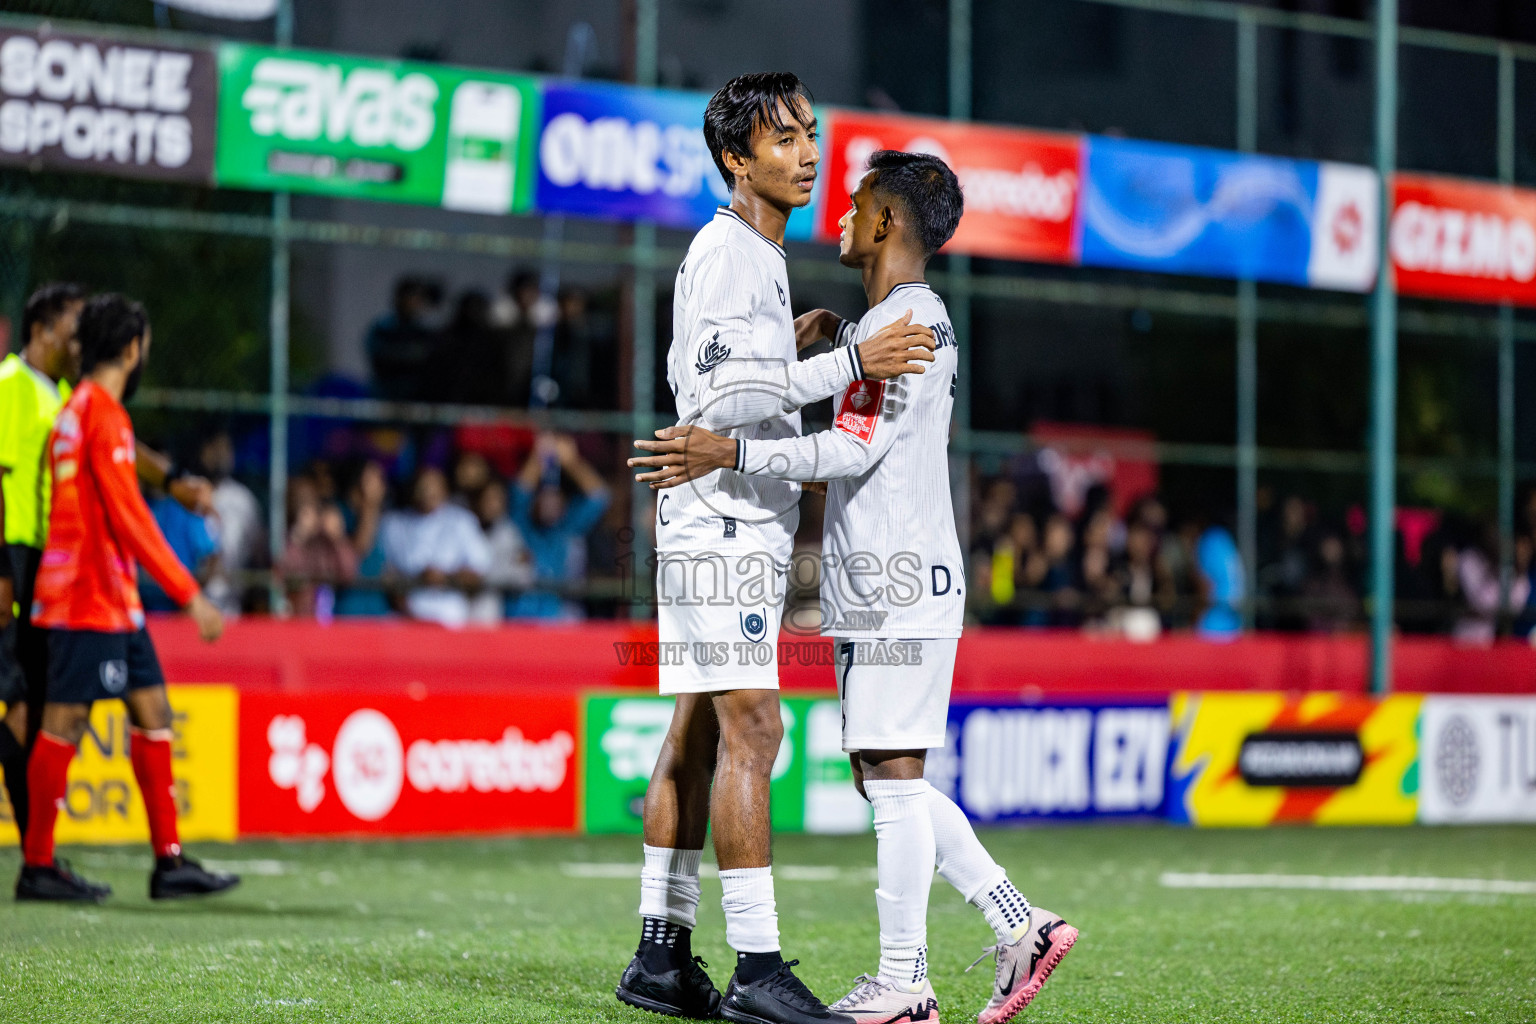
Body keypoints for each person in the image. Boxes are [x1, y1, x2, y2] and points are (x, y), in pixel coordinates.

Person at [631, 150, 1078, 1024]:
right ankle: (1017, 923)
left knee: (895, 781)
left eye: (859, 200)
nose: (840, 209)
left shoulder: (905, 321)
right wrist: (833, 348)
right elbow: (868, 428)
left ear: (889, 224)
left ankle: (907, 983)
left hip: (898, 580)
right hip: (887, 578)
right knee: (885, 775)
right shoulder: (897, 320)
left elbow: (852, 449)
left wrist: (736, 450)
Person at [611, 73, 939, 1024]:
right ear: (735, 160)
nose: (806, 152)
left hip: (720, 515)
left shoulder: (755, 257)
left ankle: (662, 955)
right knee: (756, 727)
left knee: (701, 730)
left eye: (809, 134)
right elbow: (716, 404)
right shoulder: (731, 250)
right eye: (784, 138)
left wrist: (790, 356)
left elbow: (727, 374)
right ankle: (758, 969)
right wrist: (845, 362)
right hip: (721, 518)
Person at [18, 293, 237, 902]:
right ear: (133, 348)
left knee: (154, 712)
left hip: (107, 598)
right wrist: (190, 595)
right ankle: (37, 866)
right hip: (87, 598)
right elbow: (129, 517)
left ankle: (169, 862)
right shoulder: (101, 415)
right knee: (66, 720)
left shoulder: (76, 410)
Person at [506, 434, 609, 621]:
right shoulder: (522, 526)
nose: (549, 504)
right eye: (544, 499)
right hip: (519, 618)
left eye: (555, 499)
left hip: (559, 617)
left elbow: (599, 497)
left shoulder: (567, 528)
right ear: (535, 501)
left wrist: (571, 462)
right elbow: (520, 492)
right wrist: (539, 455)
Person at [380, 466, 492, 628]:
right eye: (422, 486)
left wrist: (445, 578)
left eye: (433, 485)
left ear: (445, 490)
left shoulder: (461, 521)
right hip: (404, 617)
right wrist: (405, 605)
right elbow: (386, 572)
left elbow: (478, 571)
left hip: (450, 617)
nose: (427, 491)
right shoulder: (394, 523)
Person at [365, 276, 442, 401]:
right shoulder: (384, 328)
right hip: (386, 394)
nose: (416, 302)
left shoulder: (424, 332)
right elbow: (382, 357)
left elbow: (434, 360)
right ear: (400, 298)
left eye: (420, 298)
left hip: (417, 397)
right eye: (412, 296)